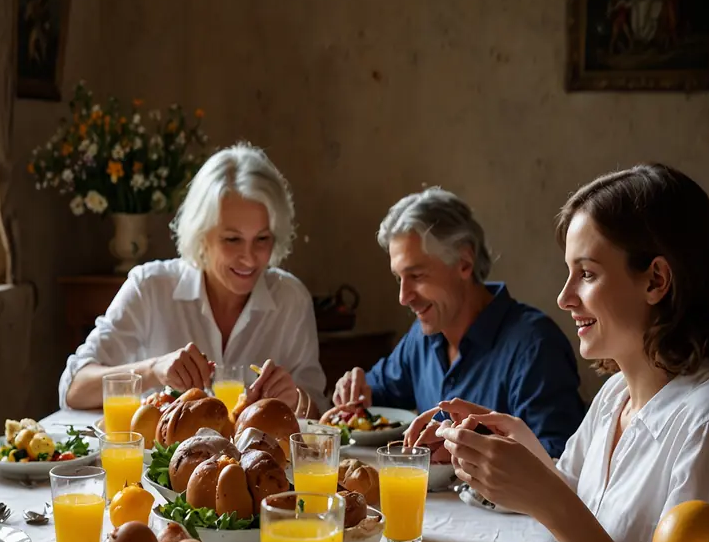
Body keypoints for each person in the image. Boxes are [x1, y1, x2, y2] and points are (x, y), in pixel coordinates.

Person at [422, 164, 709, 542]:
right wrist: (507, 451)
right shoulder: (617, 394)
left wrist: (547, 498)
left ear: (656, 280)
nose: (564, 298)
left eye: (587, 274)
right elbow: (580, 506)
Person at [59, 142, 326, 415]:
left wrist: (296, 399)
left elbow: (320, 412)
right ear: (201, 235)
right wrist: (153, 370)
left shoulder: (291, 299)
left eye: (262, 239)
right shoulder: (150, 287)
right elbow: (73, 389)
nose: (249, 258)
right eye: (232, 239)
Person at [331, 188, 584, 458]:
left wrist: (474, 448)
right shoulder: (422, 337)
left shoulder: (536, 346)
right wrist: (355, 390)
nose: (403, 297)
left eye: (416, 275)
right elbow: (375, 395)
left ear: (464, 262)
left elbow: (560, 461)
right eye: (399, 278)